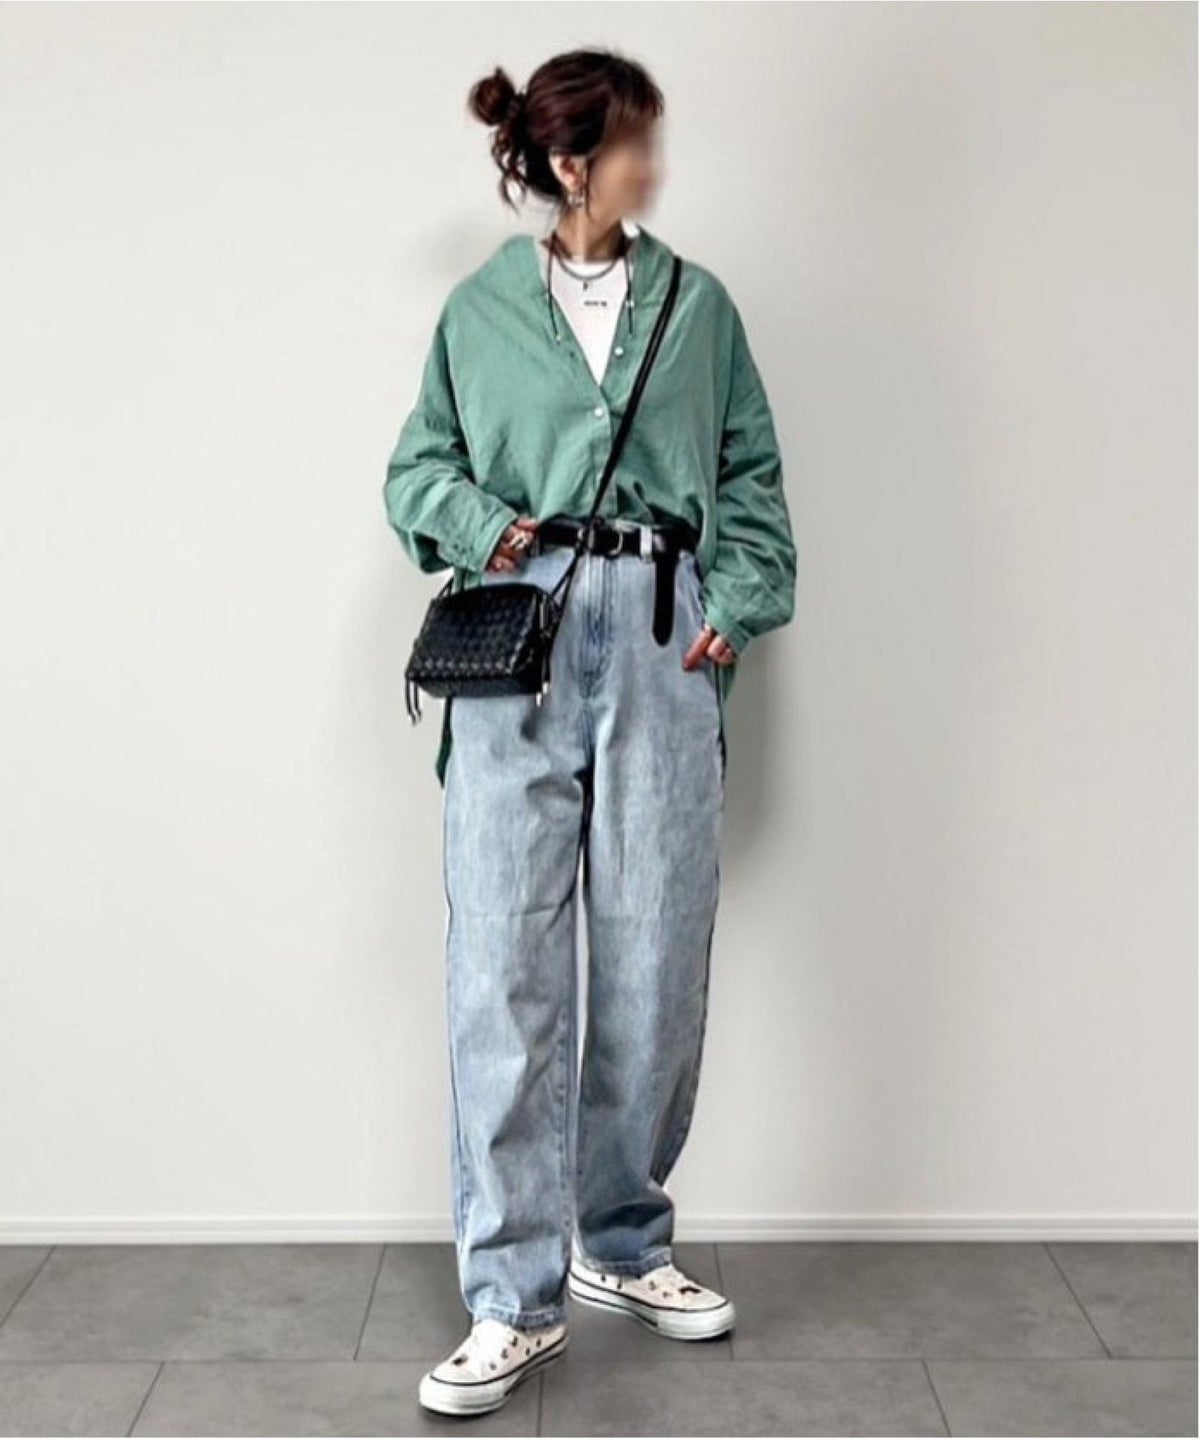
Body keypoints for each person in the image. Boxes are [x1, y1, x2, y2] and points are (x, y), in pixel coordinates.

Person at [383, 47, 797, 1418]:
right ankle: (512, 1298)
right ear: (571, 162)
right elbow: (416, 470)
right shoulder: (480, 313)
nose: (654, 168)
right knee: (503, 968)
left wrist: (736, 604)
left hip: (666, 638)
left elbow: (750, 473)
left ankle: (622, 1241)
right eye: (633, 146)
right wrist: (485, 524)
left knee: (655, 955)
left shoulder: (699, 306)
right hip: (520, 640)